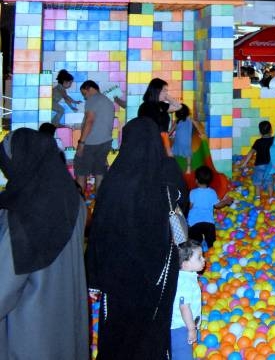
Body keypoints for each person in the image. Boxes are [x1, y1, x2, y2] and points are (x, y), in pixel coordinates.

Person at [86, 117, 187, 358]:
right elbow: (182, 206)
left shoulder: (114, 179)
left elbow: (99, 229)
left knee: (117, 328)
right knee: (152, 326)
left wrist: (94, 277)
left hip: (117, 274)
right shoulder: (166, 172)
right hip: (157, 270)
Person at [0, 128, 88, 359]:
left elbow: (4, 288)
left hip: (28, 335)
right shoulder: (75, 202)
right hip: (67, 327)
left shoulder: (21, 213)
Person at [76, 80, 116, 194]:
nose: (85, 97)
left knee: (81, 171)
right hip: (106, 142)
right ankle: (99, 203)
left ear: (89, 88)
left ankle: (80, 205)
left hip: (90, 143)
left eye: (84, 93)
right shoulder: (107, 101)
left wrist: (81, 143)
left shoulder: (92, 99)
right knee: (100, 172)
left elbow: (89, 121)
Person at [169, 241, 205, 360]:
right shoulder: (184, 282)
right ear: (185, 264)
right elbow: (184, 307)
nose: (204, 259)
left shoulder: (188, 275)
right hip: (180, 328)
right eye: (199, 257)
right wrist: (191, 329)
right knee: (181, 354)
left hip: (187, 324)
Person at [187, 166, 232, 250]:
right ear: (209, 181)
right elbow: (217, 205)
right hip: (208, 223)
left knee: (195, 243)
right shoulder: (212, 192)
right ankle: (211, 250)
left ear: (196, 180)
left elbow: (190, 206)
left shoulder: (192, 192)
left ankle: (198, 250)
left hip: (194, 223)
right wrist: (225, 202)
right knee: (211, 242)